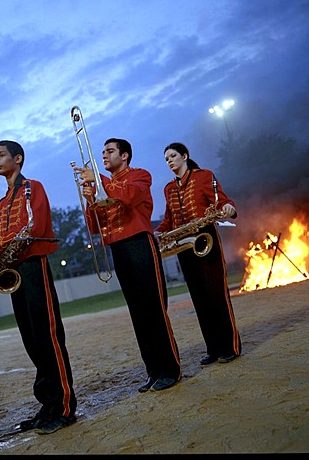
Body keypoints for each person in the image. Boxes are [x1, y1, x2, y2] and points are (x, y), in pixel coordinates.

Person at [0, 140, 77, 435]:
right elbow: (3, 237)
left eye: (1, 155)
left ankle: (64, 407)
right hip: (14, 270)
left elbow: (34, 225)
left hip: (34, 267)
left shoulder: (33, 187)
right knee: (31, 339)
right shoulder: (0, 202)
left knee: (48, 335)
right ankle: (47, 405)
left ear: (17, 159)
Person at [74, 138, 181, 393]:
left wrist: (100, 181)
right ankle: (154, 371)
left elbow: (130, 197)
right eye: (103, 152)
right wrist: (90, 201)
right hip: (117, 248)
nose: (104, 155)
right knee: (138, 313)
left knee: (153, 308)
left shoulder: (140, 175)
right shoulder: (105, 187)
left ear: (125, 156)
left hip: (139, 243)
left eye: (110, 151)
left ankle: (171, 369)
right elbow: (95, 227)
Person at [156, 142, 242, 365]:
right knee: (199, 298)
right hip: (184, 245)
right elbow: (168, 219)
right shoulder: (168, 188)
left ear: (185, 156)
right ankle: (213, 348)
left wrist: (229, 208)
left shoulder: (204, 176)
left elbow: (222, 200)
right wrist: (157, 232)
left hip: (206, 238)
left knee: (216, 294)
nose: (170, 161)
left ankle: (229, 347)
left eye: (173, 156)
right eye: (166, 159)